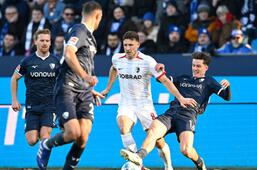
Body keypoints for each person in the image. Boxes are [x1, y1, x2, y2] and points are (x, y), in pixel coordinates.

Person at [100, 31, 197, 170]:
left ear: (138, 45)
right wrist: (108, 88)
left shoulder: (147, 61)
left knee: (158, 141)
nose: (127, 48)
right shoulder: (117, 58)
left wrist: (181, 98)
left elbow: (164, 80)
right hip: (126, 103)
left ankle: (168, 166)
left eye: (131, 45)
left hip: (144, 105)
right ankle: (138, 164)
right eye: (125, 45)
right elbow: (114, 68)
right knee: (123, 128)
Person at [120, 52, 232, 170]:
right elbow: (163, 80)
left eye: (198, 66)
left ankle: (200, 163)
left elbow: (227, 97)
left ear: (206, 67)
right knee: (153, 131)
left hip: (188, 116)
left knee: (186, 150)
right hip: (171, 113)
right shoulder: (183, 78)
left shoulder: (209, 81)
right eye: (193, 65)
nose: (195, 68)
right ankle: (139, 156)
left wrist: (227, 85)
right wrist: (160, 69)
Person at [36, 1, 103, 169]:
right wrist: (86, 77)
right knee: (73, 133)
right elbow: (68, 54)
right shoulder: (79, 30)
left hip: (84, 91)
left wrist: (89, 87)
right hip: (67, 87)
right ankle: (46, 145)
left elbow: (83, 62)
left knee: (83, 136)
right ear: (98, 16)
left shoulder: (91, 38)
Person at [10, 29, 59, 150]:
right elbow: (14, 78)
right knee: (32, 141)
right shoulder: (27, 61)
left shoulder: (56, 61)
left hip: (50, 106)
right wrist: (14, 100)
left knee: (45, 137)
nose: (45, 43)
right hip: (32, 106)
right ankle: (32, 128)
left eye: (47, 41)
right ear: (35, 41)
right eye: (42, 40)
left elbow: (64, 82)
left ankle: (42, 166)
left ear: (50, 42)